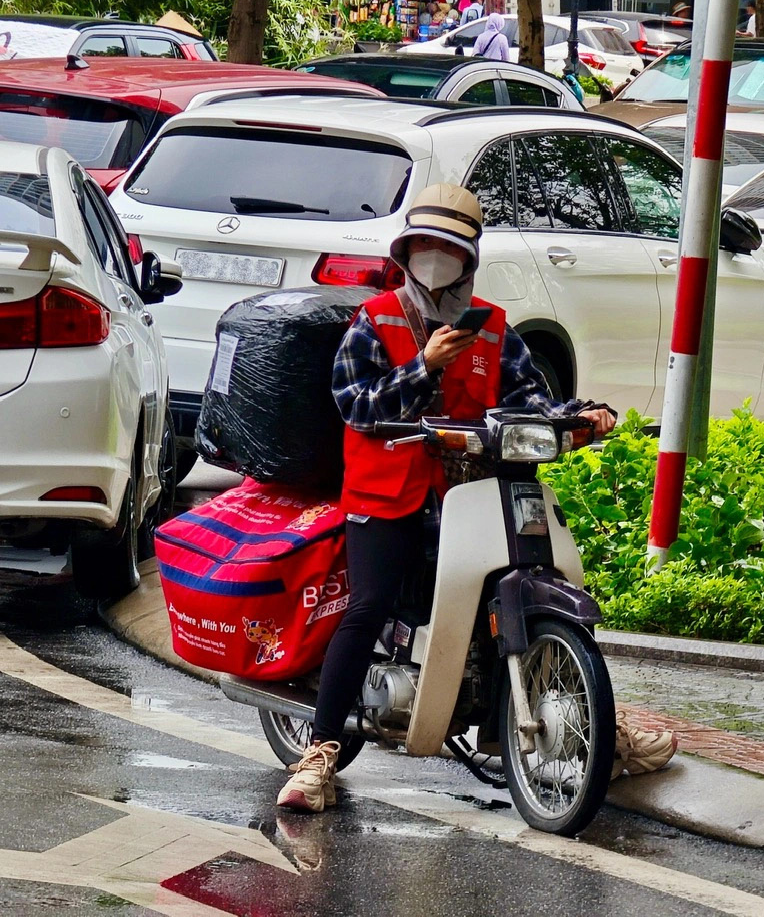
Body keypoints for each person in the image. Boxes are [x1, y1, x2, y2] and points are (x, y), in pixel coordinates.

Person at [276, 185, 676, 812]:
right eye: (424, 247)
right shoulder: (375, 320)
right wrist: (424, 367)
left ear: (468, 258)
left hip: (472, 494)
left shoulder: (491, 325)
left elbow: (529, 398)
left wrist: (582, 414)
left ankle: (599, 731)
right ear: (407, 254)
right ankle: (319, 753)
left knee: (527, 576)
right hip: (388, 494)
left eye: (449, 249)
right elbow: (355, 405)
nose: (436, 259)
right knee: (370, 604)